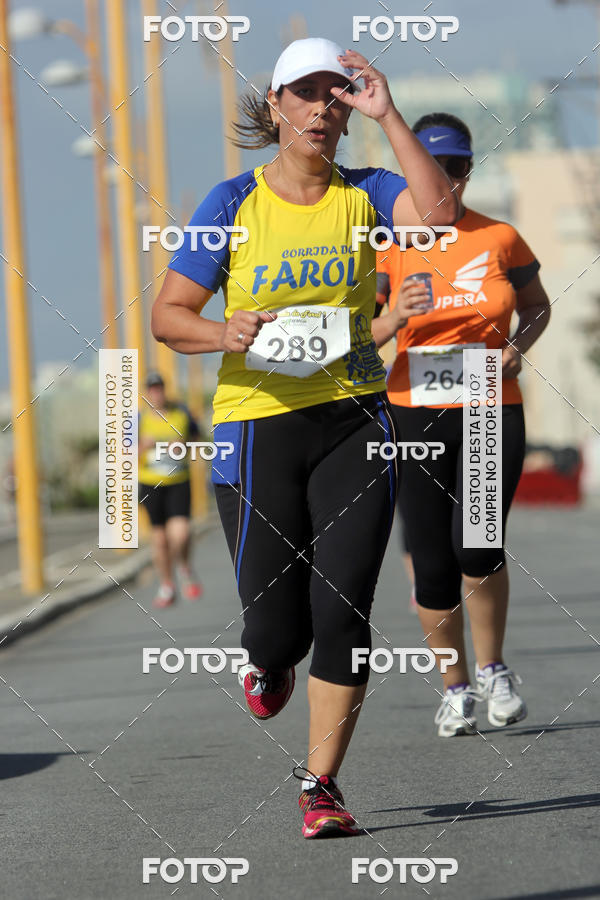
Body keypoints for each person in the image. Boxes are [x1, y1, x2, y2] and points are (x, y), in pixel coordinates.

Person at [151, 39, 458, 837]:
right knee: (275, 630)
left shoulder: (370, 192)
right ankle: (268, 658)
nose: (324, 107)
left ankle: (321, 784)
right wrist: (226, 333)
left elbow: (438, 218)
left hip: (355, 417)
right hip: (259, 425)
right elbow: (168, 317)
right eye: (306, 93)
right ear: (276, 105)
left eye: (338, 93)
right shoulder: (232, 203)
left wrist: (388, 113)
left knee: (345, 604)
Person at [373, 112, 551, 737]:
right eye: (433, 166)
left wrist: (517, 348)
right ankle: (455, 688)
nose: (445, 178)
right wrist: (393, 316)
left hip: (486, 400)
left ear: (469, 170)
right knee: (430, 560)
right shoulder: (387, 244)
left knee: (477, 543)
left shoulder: (500, 236)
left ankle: (495, 668)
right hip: (414, 408)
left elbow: (536, 306)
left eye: (456, 167)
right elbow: (357, 342)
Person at [138, 371, 203, 607]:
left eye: (160, 388)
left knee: (182, 533)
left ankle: (184, 568)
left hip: (178, 482)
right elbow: (124, 456)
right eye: (152, 389)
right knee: (160, 540)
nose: (157, 393)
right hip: (150, 483)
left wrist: (183, 445)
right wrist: (143, 446)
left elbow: (199, 441)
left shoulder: (181, 413)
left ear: (165, 389)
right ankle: (167, 585)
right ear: (147, 393)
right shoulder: (138, 419)